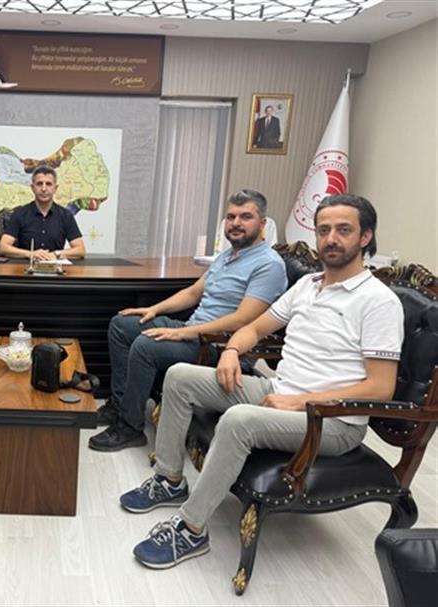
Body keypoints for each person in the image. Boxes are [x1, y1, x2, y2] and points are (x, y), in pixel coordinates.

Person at [120, 194, 403, 570]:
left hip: (332, 420)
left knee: (239, 420)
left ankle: (191, 529)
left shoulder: (379, 301)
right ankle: (170, 479)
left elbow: (381, 388)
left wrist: (300, 402)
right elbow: (253, 327)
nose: (331, 239)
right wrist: (232, 351)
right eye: (323, 230)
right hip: (278, 391)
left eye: (343, 230)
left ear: (365, 237)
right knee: (180, 376)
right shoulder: (308, 286)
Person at [89, 189, 287, 452]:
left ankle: (129, 427)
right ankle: (120, 405)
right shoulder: (227, 256)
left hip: (221, 346)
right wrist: (152, 310)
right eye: (231, 217)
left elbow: (243, 319)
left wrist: (184, 333)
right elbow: (193, 293)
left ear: (262, 223)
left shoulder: (269, 265)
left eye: (245, 217)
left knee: (146, 346)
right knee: (122, 325)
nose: (236, 223)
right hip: (194, 330)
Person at [0, 165, 86, 261]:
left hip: (55, 267)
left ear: (55, 188)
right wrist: (30, 254)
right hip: (26, 267)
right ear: (32, 188)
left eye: (48, 184)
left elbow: (80, 250)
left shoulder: (66, 215)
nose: (44, 189)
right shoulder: (19, 214)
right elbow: (3, 248)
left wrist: (56, 254)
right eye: (39, 184)